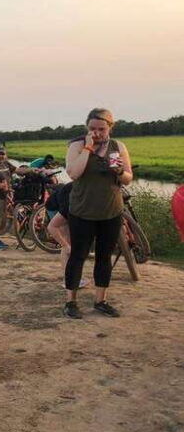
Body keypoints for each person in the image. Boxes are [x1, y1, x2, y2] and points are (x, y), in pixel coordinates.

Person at [63, 108, 133, 319]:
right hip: (82, 211)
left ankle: (101, 300)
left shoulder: (117, 147)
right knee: (78, 256)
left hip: (111, 210)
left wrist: (120, 171)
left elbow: (128, 178)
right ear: (87, 128)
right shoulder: (77, 146)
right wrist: (88, 148)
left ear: (110, 127)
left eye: (101, 129)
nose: (97, 133)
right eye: (92, 129)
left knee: (104, 257)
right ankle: (70, 302)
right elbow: (74, 173)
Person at [45, 182, 89, 288]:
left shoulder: (87, 190)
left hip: (67, 203)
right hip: (54, 207)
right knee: (67, 243)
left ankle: (72, 277)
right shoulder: (70, 200)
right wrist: (65, 245)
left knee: (72, 241)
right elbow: (51, 227)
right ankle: (68, 280)